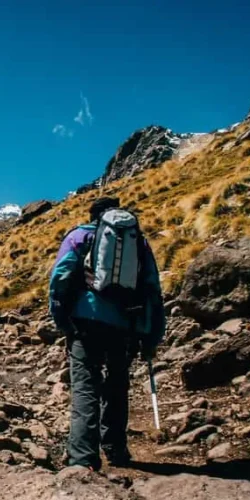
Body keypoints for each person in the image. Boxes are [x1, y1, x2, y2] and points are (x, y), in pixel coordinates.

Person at [48, 196, 165, 470]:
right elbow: (152, 291)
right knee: (117, 385)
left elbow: (59, 279)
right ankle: (116, 450)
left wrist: (62, 319)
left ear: (93, 216)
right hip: (125, 326)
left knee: (86, 386)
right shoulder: (139, 243)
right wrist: (152, 336)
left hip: (85, 323)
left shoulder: (79, 237)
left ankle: (83, 458)